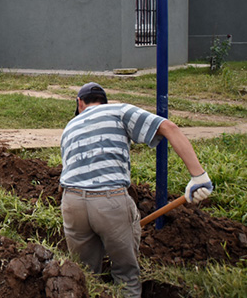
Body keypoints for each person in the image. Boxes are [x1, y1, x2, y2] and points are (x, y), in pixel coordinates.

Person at [60, 82, 213, 297]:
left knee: (85, 276)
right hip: (109, 201)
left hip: (72, 203)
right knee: (126, 276)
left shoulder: (70, 126)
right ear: (104, 101)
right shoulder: (118, 110)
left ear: (80, 103)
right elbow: (169, 128)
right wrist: (198, 176)